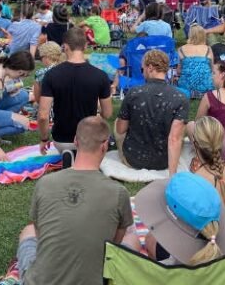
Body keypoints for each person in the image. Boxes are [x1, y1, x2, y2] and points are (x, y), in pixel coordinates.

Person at [13, 116, 132, 285]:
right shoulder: (119, 193)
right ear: (105, 146)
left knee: (28, 231)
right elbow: (115, 243)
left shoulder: (45, 183)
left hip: (39, 281)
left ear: (76, 141)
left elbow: (40, 234)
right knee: (131, 238)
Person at [38, 27, 112, 157]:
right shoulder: (100, 76)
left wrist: (44, 139)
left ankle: (70, 156)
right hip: (89, 139)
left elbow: (43, 115)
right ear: (85, 46)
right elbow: (107, 113)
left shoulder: (51, 75)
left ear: (65, 47)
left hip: (61, 140)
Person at [115, 50, 189, 174]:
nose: (142, 72)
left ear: (150, 68)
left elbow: (120, 129)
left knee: (119, 121)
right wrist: (172, 175)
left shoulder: (134, 93)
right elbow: (174, 139)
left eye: (142, 69)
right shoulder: (180, 97)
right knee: (180, 130)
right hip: (164, 161)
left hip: (134, 159)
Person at [176, 25, 215, 97]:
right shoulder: (208, 49)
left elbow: (178, 71)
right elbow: (212, 69)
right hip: (206, 88)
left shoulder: (181, 49)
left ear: (190, 35)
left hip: (186, 88)